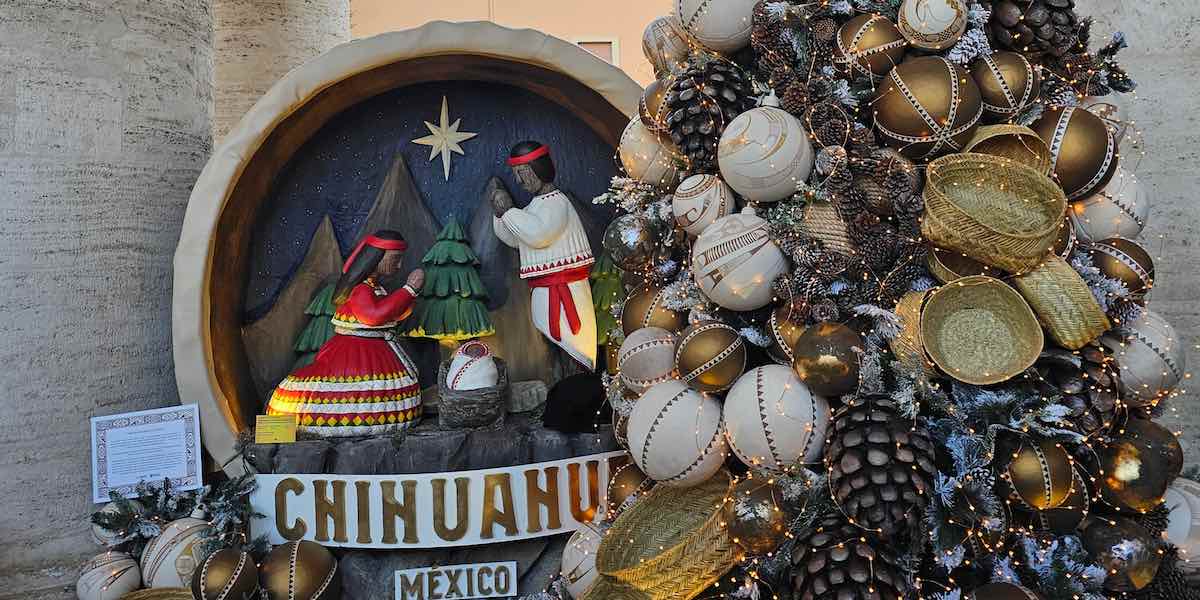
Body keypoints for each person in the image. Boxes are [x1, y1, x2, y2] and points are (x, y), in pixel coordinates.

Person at [266, 230, 426, 437]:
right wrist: (408, 290)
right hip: (356, 353)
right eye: (395, 259)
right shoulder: (361, 290)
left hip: (377, 349)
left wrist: (410, 295)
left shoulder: (375, 287)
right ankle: (289, 425)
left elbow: (393, 313)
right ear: (377, 257)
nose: (399, 265)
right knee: (350, 391)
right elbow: (373, 316)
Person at [491, 141, 597, 370]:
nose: (519, 181)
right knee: (552, 346)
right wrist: (500, 216)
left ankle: (578, 382)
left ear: (538, 169)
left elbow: (538, 235)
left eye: (522, 172)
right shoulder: (535, 206)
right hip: (543, 290)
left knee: (572, 345)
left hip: (567, 290)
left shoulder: (556, 203)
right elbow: (518, 239)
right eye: (516, 174)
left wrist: (509, 211)